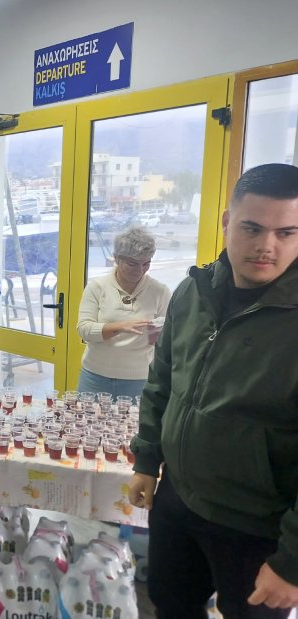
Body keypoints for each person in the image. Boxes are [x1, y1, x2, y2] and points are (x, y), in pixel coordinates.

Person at [128, 163, 298, 618]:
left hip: (257, 526)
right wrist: (146, 460)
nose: (267, 246)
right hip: (178, 500)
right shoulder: (193, 292)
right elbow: (162, 381)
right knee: (170, 605)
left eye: (287, 233)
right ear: (227, 222)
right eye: (252, 228)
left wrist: (292, 562)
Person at [76, 226, 171, 399]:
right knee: (88, 417)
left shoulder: (160, 291)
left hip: (140, 379)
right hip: (95, 376)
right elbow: (84, 330)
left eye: (146, 263)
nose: (140, 270)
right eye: (132, 264)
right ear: (116, 258)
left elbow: (167, 339)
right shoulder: (97, 287)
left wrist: (160, 333)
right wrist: (120, 326)